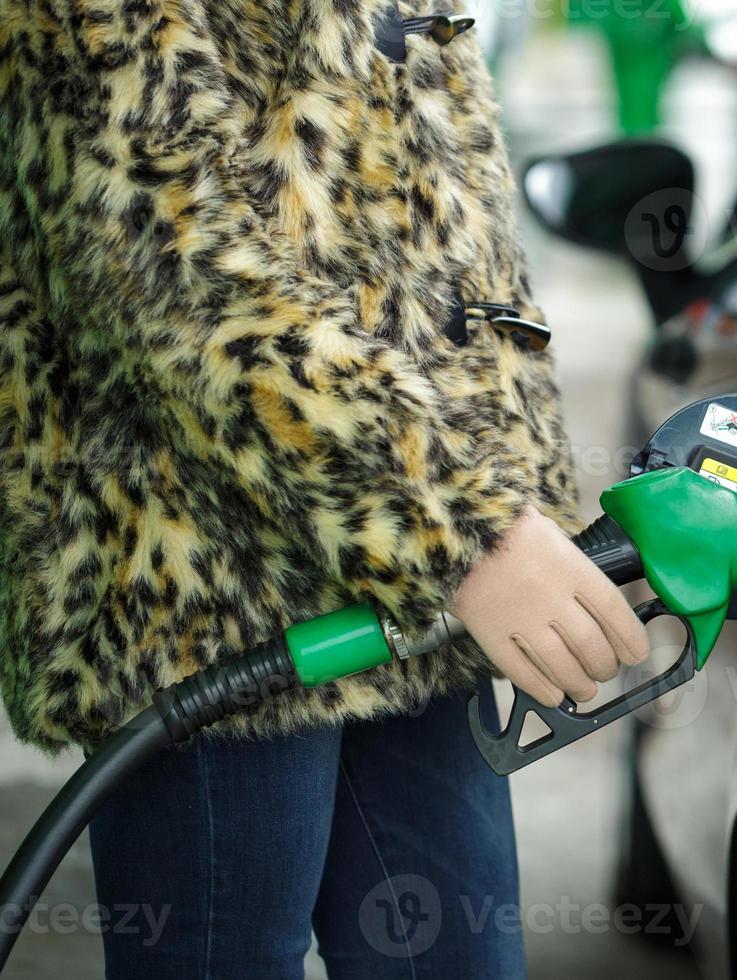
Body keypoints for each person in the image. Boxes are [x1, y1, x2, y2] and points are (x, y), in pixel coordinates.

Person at [0, 2, 650, 976]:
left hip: (417, 606)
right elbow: (181, 291)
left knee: (459, 957)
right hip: (213, 592)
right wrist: (465, 533)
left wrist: (504, 508)